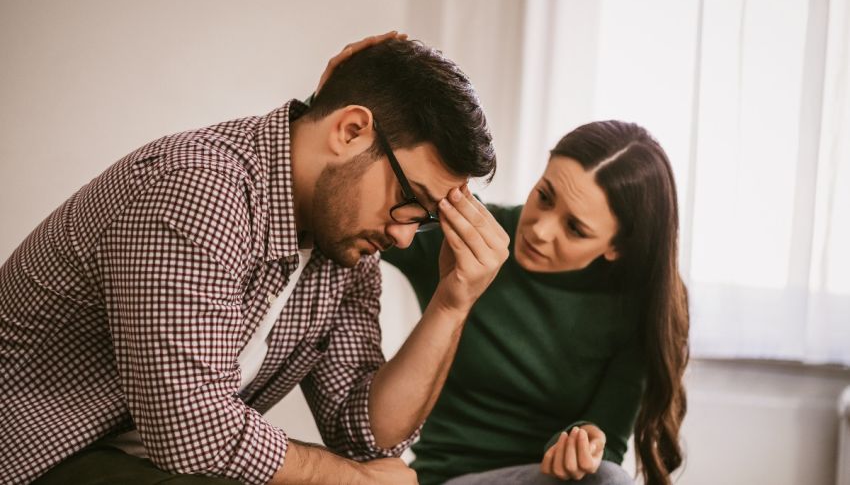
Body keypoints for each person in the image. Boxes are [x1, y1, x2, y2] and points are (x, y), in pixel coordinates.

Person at [0, 33, 510, 485]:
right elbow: (189, 430)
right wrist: (352, 480)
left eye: (422, 218)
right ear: (351, 130)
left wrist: (452, 301)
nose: (403, 236)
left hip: (140, 465)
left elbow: (365, 437)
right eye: (409, 198)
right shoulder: (200, 187)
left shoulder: (345, 247)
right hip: (35, 459)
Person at [382, 120, 690, 485]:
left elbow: (608, 447)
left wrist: (583, 443)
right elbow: (348, 200)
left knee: (609, 479)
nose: (540, 230)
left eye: (575, 229)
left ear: (617, 248)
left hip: (548, 479)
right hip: (447, 478)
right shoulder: (470, 235)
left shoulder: (636, 308)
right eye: (544, 196)